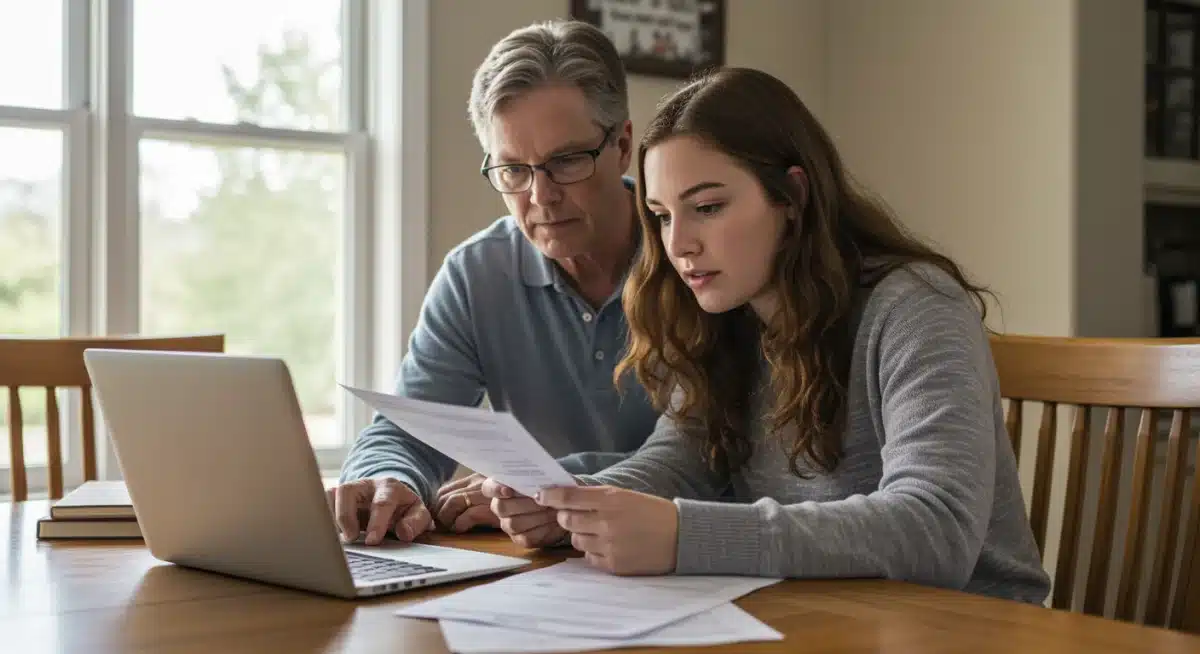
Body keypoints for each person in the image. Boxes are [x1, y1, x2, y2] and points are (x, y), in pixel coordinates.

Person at [482, 66, 1053, 605]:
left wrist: (686, 534)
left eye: (707, 207)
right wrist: (571, 500)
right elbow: (679, 461)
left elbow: (936, 530)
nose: (679, 244)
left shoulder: (916, 308)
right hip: (821, 616)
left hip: (969, 626)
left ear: (792, 197)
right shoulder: (728, 315)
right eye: (661, 215)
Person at [329, 20, 661, 546]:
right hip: (541, 572)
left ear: (623, 145)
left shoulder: (696, 261)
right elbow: (413, 427)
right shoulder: (475, 274)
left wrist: (545, 485)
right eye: (513, 171)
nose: (541, 196)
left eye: (567, 161)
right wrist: (390, 477)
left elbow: (716, 456)